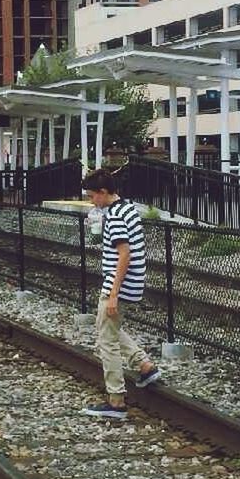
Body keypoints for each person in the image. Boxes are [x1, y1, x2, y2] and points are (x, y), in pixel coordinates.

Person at [80, 168, 160, 419]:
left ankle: (116, 400)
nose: (91, 201)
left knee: (106, 340)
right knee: (108, 327)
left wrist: (113, 294)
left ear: (104, 193)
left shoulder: (114, 216)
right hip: (132, 282)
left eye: (92, 196)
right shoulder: (128, 208)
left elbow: (124, 254)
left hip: (119, 284)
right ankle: (144, 365)